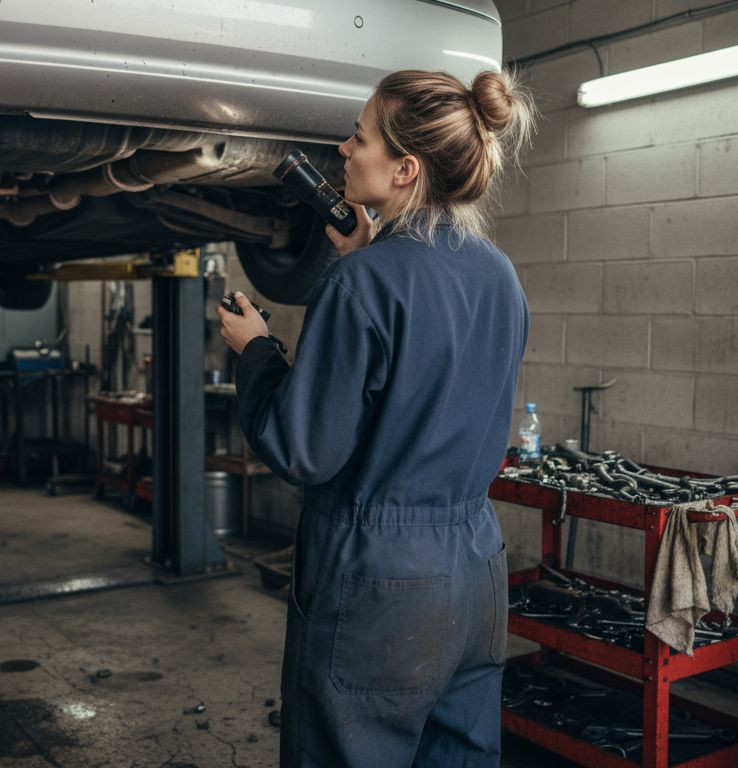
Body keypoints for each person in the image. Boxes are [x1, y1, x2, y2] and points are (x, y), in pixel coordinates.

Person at [218, 68, 536, 768]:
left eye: (360, 138)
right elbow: (430, 358)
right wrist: (368, 257)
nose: (344, 149)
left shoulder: (361, 283)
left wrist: (257, 353)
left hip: (381, 580)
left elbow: (306, 448)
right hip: (475, 571)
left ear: (405, 169)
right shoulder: (499, 275)